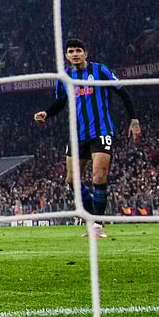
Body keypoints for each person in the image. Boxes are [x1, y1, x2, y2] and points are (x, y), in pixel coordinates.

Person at [34, 38, 141, 238]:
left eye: (78, 50)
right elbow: (60, 102)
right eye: (71, 51)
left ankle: (97, 225)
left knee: (98, 177)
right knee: (72, 180)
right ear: (66, 55)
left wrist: (133, 120)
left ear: (86, 53)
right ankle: (94, 214)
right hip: (77, 136)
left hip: (101, 132)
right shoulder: (65, 77)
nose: (75, 54)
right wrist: (47, 114)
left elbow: (123, 93)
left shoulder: (100, 71)